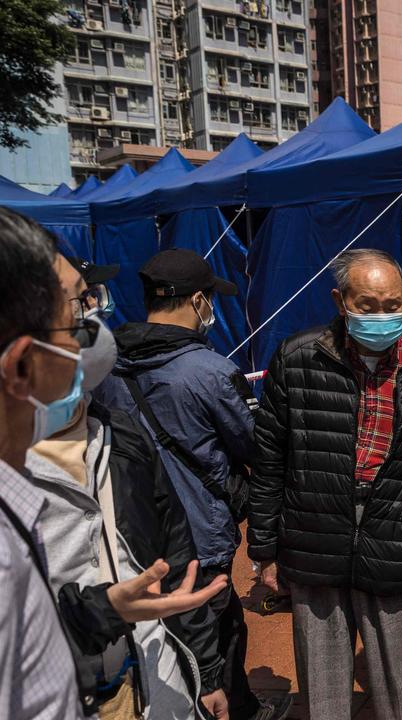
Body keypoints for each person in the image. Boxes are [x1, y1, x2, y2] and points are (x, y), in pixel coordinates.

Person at [0, 208, 223, 720]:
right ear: (20, 364)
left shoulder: (116, 433)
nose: (95, 329)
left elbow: (172, 545)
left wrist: (105, 613)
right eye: (78, 309)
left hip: (149, 679)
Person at [250, 249, 402, 720]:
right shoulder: (297, 359)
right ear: (340, 300)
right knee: (324, 689)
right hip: (314, 536)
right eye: (367, 305)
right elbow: (269, 461)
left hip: (401, 538)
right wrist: (264, 550)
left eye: (393, 304)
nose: (383, 316)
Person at [94, 248, 281, 720]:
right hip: (201, 535)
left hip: (130, 535)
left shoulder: (107, 366)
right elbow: (253, 445)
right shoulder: (211, 372)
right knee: (217, 633)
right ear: (198, 301)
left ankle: (233, 703)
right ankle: (230, 707)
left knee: (158, 640)